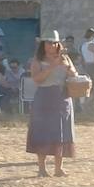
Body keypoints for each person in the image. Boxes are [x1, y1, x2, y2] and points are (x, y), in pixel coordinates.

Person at [27, 31, 78, 177]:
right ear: (43, 45)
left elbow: (74, 74)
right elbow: (36, 79)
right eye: (48, 43)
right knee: (42, 132)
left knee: (61, 133)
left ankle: (58, 168)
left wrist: (68, 67)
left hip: (62, 98)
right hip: (44, 97)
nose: (51, 45)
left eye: (54, 43)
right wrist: (52, 66)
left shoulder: (65, 58)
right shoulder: (37, 60)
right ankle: (42, 168)